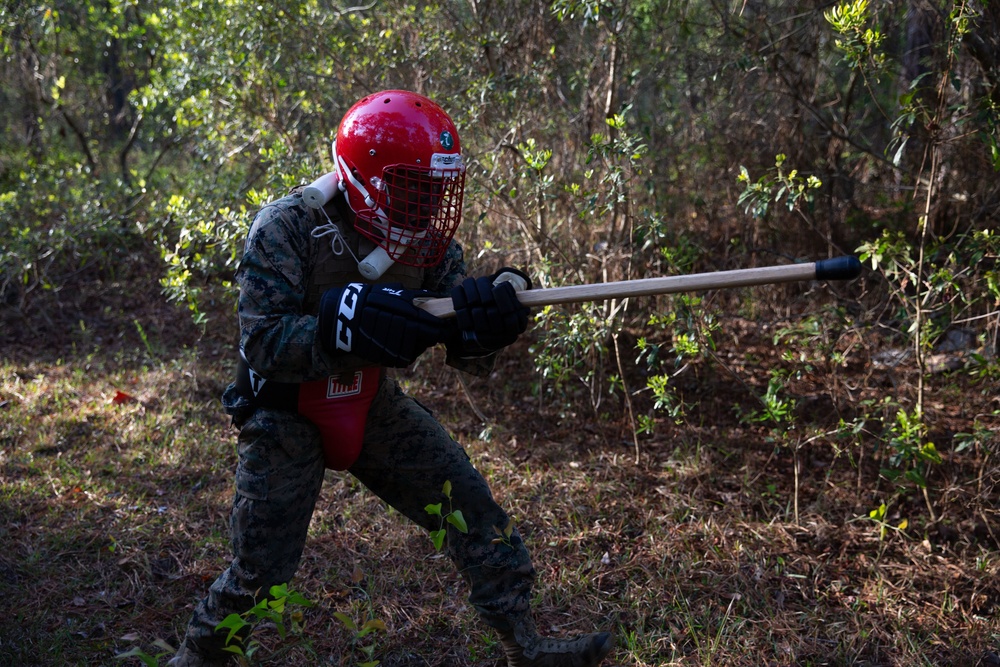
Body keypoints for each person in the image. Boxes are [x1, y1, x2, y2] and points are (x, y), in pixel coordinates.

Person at [169, 90, 613, 667]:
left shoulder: (426, 243)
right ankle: (195, 660)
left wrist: (492, 315)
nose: (429, 204)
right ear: (368, 177)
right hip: (285, 415)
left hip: (372, 402)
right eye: (414, 187)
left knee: (475, 514)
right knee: (260, 572)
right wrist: (338, 330)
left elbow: (461, 338)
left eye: (436, 189)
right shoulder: (287, 227)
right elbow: (261, 341)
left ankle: (525, 646)